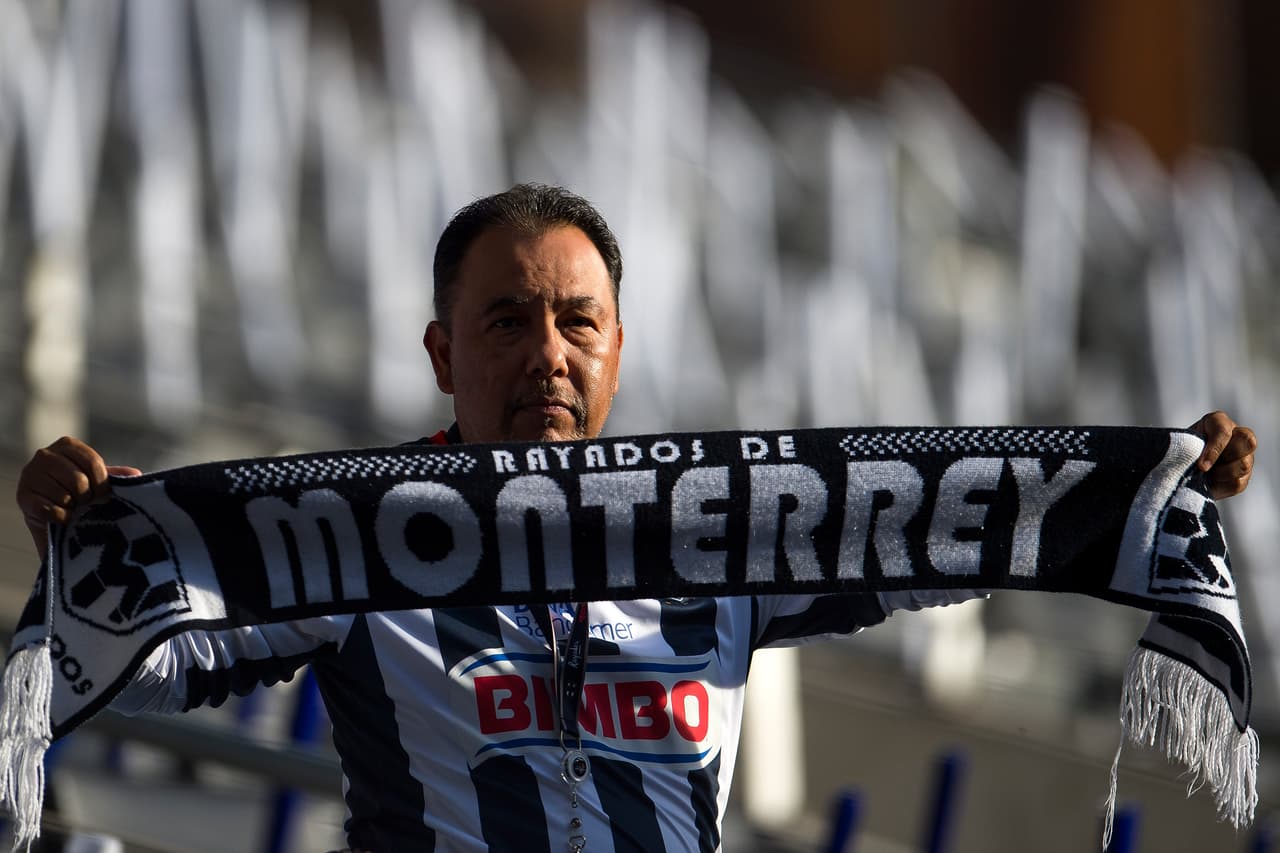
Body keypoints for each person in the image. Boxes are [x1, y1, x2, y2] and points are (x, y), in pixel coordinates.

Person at [14, 184, 1259, 852]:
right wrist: (82, 541)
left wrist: (1143, 480)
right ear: (445, 353)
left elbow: (944, 527)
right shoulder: (349, 529)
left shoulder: (716, 528)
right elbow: (153, 670)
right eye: (507, 322)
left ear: (616, 352)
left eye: (577, 323)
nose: (545, 353)